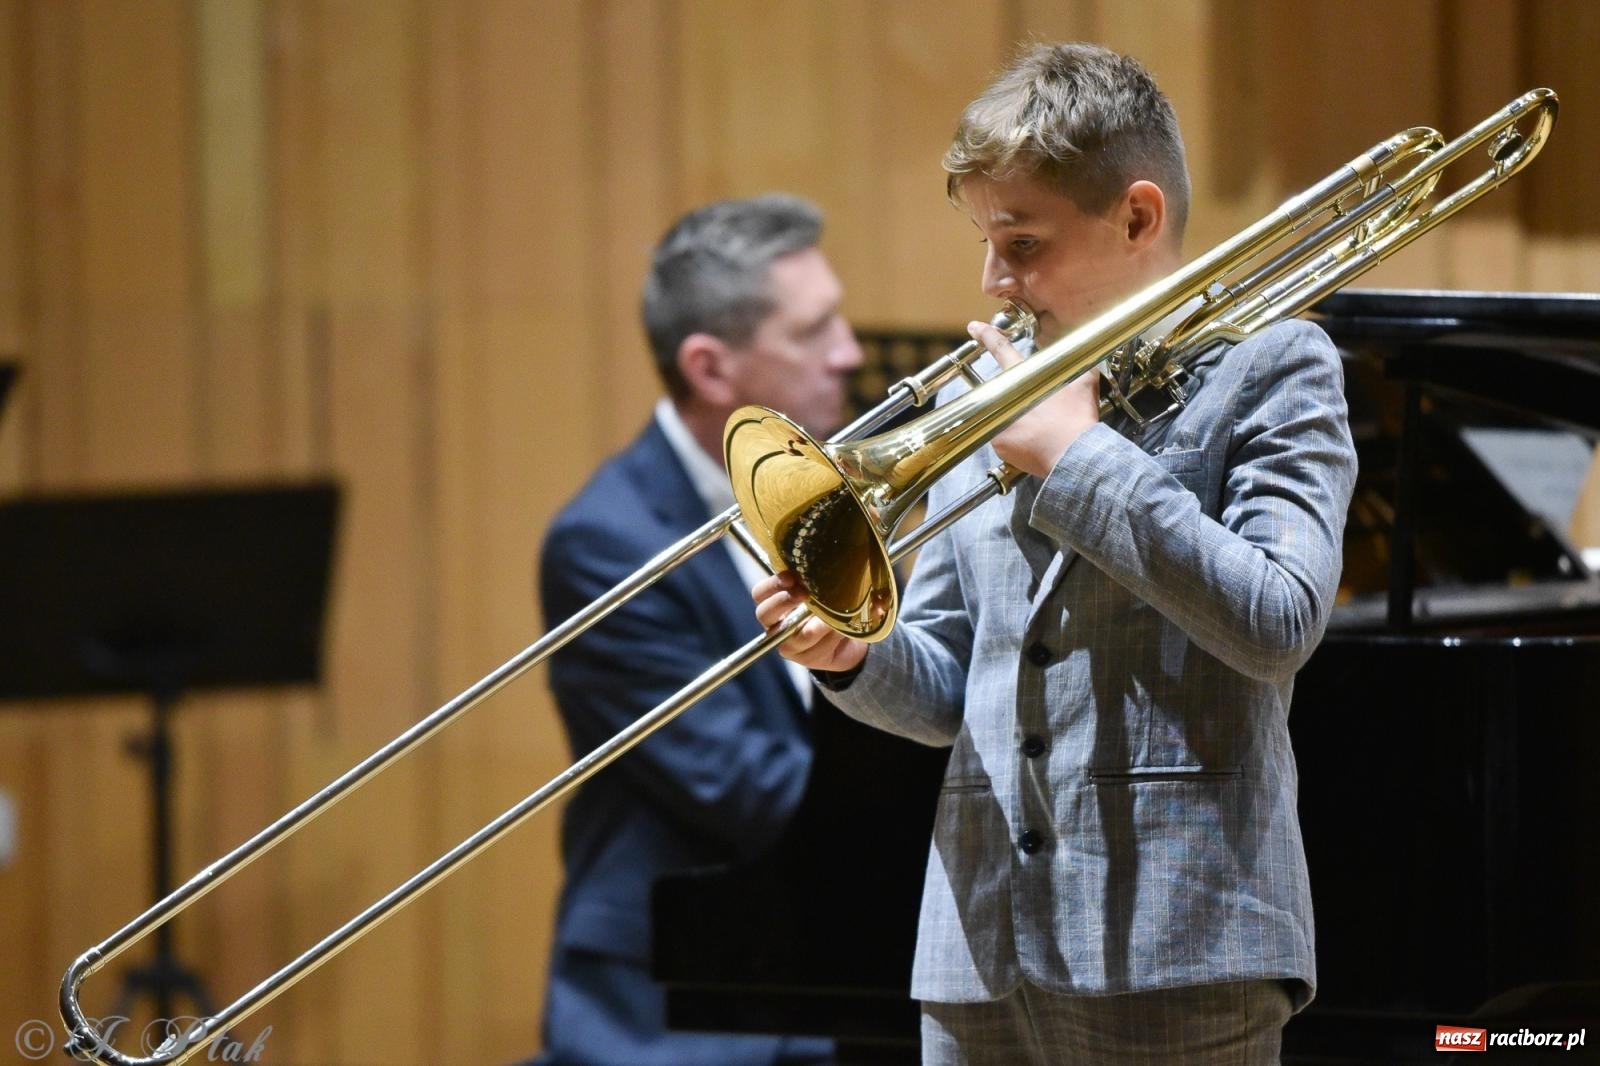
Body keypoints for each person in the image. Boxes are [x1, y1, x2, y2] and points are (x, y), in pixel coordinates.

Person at [753, 42, 1357, 1064]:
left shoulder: (1275, 366)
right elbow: (950, 685)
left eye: (1022, 242)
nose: (994, 280)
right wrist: (851, 655)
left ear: (1136, 217)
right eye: (986, 241)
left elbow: (1279, 619)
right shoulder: (977, 402)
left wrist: (1075, 459)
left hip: (1182, 945)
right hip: (976, 948)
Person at [532, 194, 861, 1066]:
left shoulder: (845, 485)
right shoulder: (606, 545)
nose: (851, 353)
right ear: (712, 370)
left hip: (841, 964)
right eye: (813, 331)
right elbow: (743, 784)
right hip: (674, 1004)